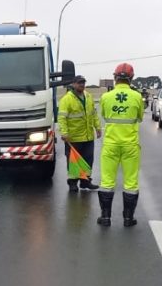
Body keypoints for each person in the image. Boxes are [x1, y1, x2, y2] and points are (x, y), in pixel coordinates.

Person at [97, 63, 144, 227]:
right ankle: (128, 218)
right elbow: (140, 117)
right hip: (130, 145)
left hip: (110, 145)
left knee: (107, 181)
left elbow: (103, 114)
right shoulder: (137, 97)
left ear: (115, 77)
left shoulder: (105, 97)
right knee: (131, 182)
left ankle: (105, 217)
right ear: (131, 78)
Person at [57, 75, 101, 192]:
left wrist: (98, 127)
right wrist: (64, 133)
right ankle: (73, 183)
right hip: (73, 138)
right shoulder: (67, 99)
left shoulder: (88, 96)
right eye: (79, 83)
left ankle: (85, 182)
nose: (82, 85)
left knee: (87, 160)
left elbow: (94, 114)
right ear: (73, 84)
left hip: (87, 136)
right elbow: (62, 118)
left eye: (83, 82)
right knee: (74, 162)